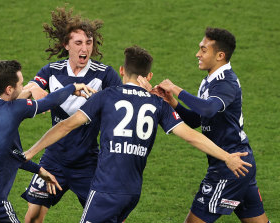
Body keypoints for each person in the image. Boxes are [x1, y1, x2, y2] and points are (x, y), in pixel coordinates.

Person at [24, 46, 252, 223]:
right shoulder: (158, 104)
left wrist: (32, 151)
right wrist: (227, 157)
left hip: (106, 188)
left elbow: (65, 126)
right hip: (132, 192)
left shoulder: (106, 96)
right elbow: (192, 136)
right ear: (149, 74)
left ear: (122, 70)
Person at [138, 27, 270, 223]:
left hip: (229, 165)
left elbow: (208, 109)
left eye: (203, 49)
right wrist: (172, 101)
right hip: (239, 162)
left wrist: (176, 88)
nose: (197, 54)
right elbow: (197, 119)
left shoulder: (226, 82)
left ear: (220, 55)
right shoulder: (209, 82)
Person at [0, 60, 94, 223]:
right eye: (21, 84)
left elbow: (6, 154)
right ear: (9, 89)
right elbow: (48, 102)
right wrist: (73, 87)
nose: (23, 88)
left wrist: (39, 170)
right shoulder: (14, 108)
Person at [20, 6, 122, 223]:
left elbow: (124, 103)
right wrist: (31, 91)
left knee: (109, 217)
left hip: (87, 162)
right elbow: (27, 91)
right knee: (33, 215)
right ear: (66, 45)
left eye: (89, 42)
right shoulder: (51, 71)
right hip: (53, 159)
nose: (85, 48)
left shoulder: (105, 75)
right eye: (78, 43)